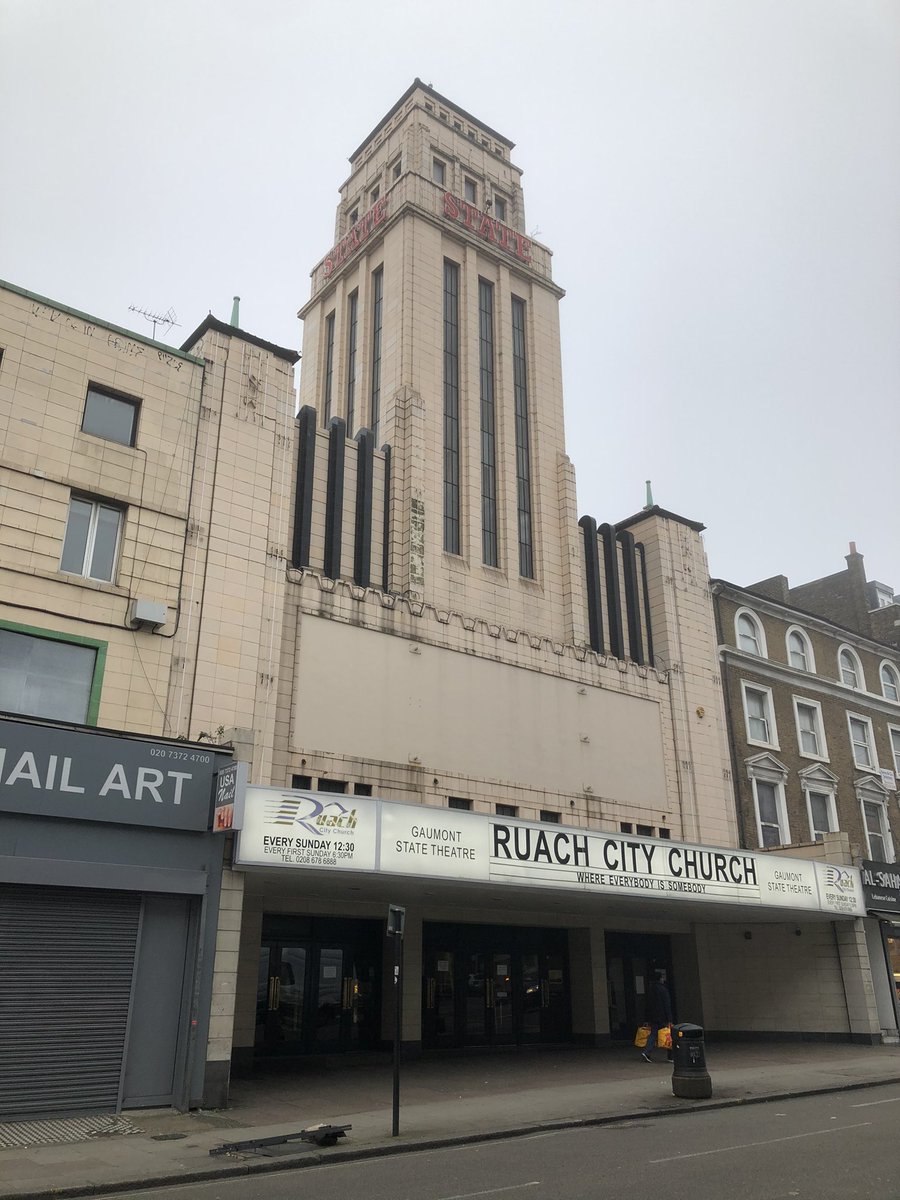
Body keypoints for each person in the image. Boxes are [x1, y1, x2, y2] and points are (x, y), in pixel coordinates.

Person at [640, 969, 673, 1063]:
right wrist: (669, 1018)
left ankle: (647, 1052)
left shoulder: (650, 989)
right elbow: (667, 1004)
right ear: (660, 979)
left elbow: (647, 1005)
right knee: (669, 1034)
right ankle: (671, 1055)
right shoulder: (663, 989)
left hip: (653, 1016)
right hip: (663, 1016)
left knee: (653, 1034)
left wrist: (646, 1018)